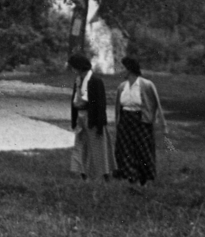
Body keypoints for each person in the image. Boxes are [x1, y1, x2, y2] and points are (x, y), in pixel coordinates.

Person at [112, 56, 167, 185]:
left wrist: (162, 123)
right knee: (125, 149)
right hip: (126, 121)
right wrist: (118, 122)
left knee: (142, 150)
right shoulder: (121, 87)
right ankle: (131, 176)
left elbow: (156, 104)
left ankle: (144, 178)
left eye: (123, 68)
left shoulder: (147, 85)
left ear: (130, 69)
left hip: (141, 121)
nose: (121, 70)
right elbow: (118, 107)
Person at [68, 53, 112, 182]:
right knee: (81, 146)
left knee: (98, 147)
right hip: (81, 116)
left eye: (74, 67)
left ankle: (105, 176)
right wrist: (74, 119)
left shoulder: (95, 81)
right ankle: (83, 174)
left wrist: (99, 124)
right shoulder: (78, 80)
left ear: (79, 67)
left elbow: (100, 104)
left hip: (92, 117)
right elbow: (75, 100)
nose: (72, 69)